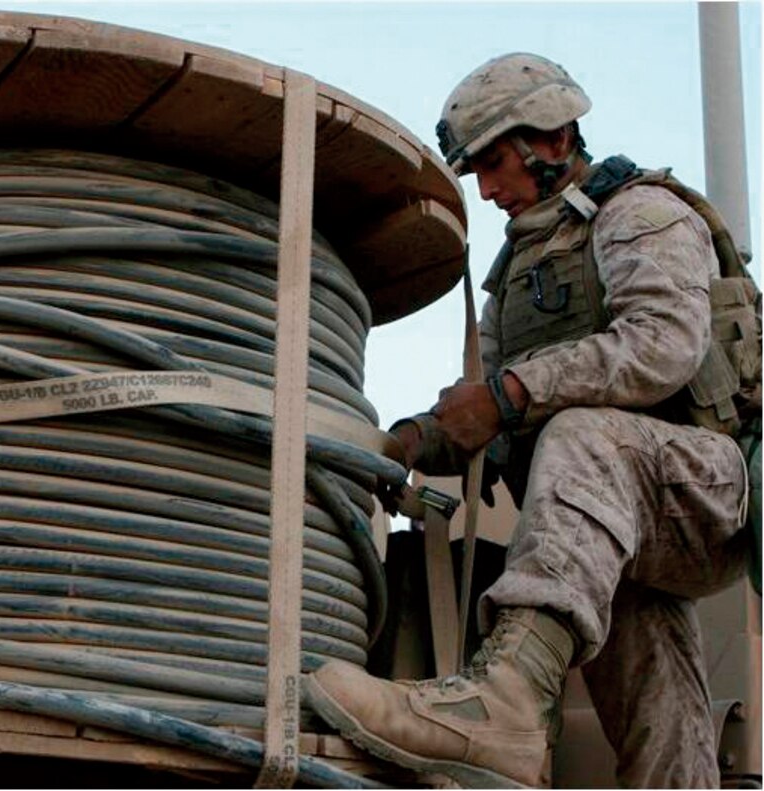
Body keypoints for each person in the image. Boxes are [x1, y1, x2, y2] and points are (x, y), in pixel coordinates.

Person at [305, 52, 757, 788]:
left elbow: (663, 344)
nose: (485, 189)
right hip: (615, 520)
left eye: (494, 163)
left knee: (582, 435)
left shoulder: (640, 214)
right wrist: (415, 438)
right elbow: (489, 406)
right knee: (660, 718)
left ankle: (507, 703)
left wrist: (513, 392)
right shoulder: (522, 269)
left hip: (706, 490)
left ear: (550, 139)